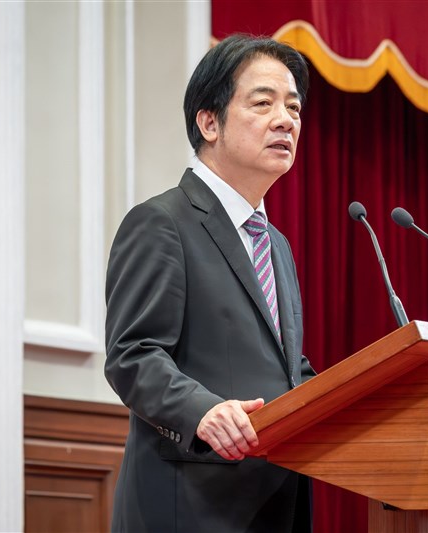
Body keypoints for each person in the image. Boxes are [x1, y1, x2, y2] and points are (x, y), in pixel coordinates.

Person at [104, 35, 317, 532]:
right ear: (209, 122)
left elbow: (286, 369)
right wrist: (203, 411)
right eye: (263, 103)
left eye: (294, 107)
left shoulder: (276, 245)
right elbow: (133, 354)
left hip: (275, 504)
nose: (286, 120)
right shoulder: (162, 222)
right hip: (194, 505)